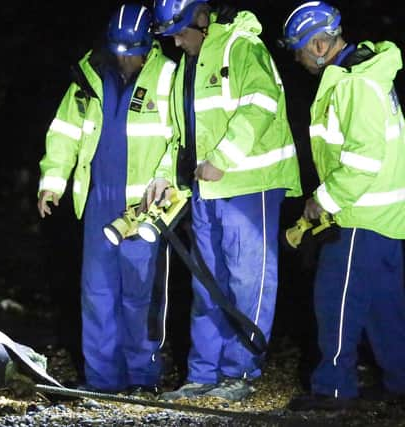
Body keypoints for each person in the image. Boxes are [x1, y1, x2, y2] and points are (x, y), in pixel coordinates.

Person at [147, 0, 303, 401]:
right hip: (207, 190)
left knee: (247, 281)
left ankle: (241, 372)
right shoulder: (188, 66)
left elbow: (261, 104)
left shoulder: (242, 47)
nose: (177, 43)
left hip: (251, 185)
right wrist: (165, 175)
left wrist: (223, 159)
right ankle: (203, 374)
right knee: (207, 284)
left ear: (201, 19)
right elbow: (180, 133)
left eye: (180, 33)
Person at [37, 3, 176, 394]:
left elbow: (180, 140)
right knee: (97, 294)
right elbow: (64, 132)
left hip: (146, 209)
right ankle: (101, 380)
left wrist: (165, 181)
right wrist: (52, 182)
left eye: (133, 51)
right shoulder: (89, 76)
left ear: (149, 46)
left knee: (141, 296)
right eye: (119, 49)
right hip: (99, 201)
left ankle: (142, 378)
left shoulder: (168, 76)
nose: (125, 58)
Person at [278, 1, 405, 411]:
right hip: (386, 216)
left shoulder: (353, 83)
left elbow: (363, 159)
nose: (297, 59)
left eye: (298, 50)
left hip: (359, 215)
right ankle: (399, 382)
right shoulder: (368, 76)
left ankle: (333, 390)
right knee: (383, 307)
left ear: (318, 44)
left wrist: (323, 201)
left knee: (337, 300)